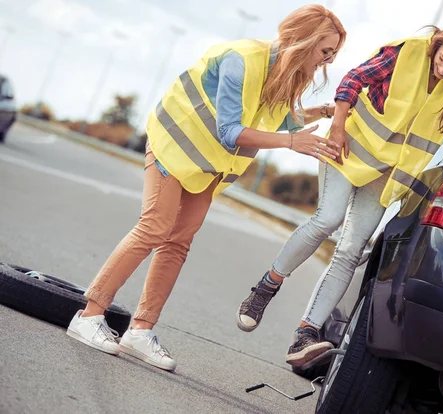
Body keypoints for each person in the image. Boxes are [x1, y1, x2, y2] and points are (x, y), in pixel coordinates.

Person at [236, 20, 443, 367]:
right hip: (347, 149)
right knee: (328, 218)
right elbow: (353, 80)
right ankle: (266, 287)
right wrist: (338, 126)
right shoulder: (407, 51)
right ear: (442, 40)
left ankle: (306, 333)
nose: (442, 67)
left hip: (384, 174)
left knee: (351, 249)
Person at [65, 4, 347, 371]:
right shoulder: (242, 59)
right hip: (174, 143)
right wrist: (292, 144)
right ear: (304, 38)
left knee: (178, 242)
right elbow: (231, 130)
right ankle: (89, 316)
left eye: (333, 56)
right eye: (325, 51)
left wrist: (326, 110)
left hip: (206, 162)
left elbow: (286, 117)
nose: (326, 62)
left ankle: (140, 331)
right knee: (154, 226)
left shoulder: (284, 72)